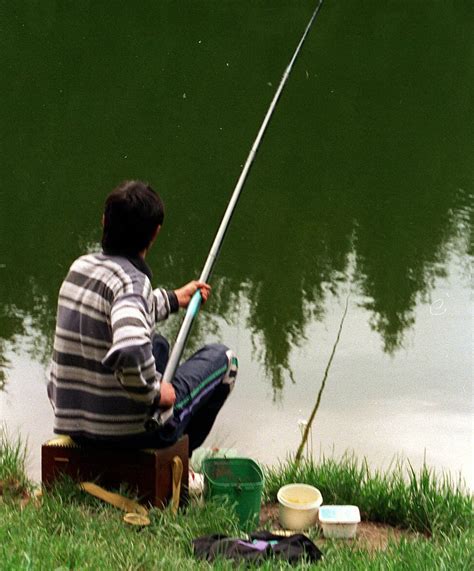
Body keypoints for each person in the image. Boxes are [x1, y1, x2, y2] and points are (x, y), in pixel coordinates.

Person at [47, 180, 237, 454]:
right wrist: (156, 392)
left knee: (158, 343)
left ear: (104, 221)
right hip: (128, 433)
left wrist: (174, 298)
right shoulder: (132, 284)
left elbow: (122, 309)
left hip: (74, 424)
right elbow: (131, 347)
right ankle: (179, 461)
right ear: (155, 233)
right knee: (225, 361)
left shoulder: (81, 267)